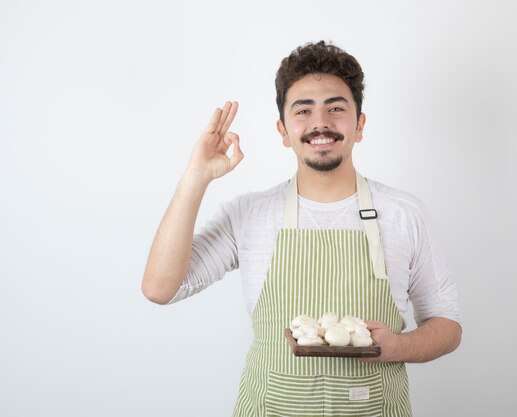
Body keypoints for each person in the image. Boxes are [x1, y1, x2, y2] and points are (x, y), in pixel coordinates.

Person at [142, 40, 462, 416]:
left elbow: (447, 325)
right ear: (283, 131)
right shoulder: (249, 214)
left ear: (359, 125)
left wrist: (397, 348)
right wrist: (196, 177)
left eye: (336, 108)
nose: (320, 123)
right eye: (303, 110)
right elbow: (160, 288)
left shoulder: (404, 213)